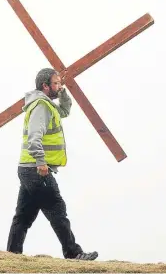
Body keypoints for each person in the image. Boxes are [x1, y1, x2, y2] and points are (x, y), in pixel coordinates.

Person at [6, 68, 98, 261]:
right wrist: (41, 162)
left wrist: (63, 93)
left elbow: (64, 110)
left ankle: (12, 256)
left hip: (27, 168)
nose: (59, 86)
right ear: (45, 86)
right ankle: (73, 253)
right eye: (56, 84)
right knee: (57, 209)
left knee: (23, 216)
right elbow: (34, 138)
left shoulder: (47, 105)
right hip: (36, 169)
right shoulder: (41, 106)